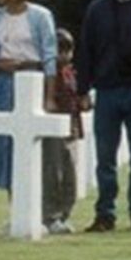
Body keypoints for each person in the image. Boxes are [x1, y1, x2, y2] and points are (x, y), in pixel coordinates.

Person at [76, 0, 131, 232]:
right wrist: (83, 90)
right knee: (105, 159)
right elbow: (86, 51)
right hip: (106, 92)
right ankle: (105, 214)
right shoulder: (97, 10)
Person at [0, 0, 60, 201]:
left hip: (31, 79)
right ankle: (15, 204)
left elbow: (49, 56)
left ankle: (38, 205)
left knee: (31, 147)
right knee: (7, 146)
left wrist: (49, 96)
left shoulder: (40, 16)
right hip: (2, 83)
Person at [43, 29, 87, 235]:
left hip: (72, 129)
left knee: (71, 174)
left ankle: (64, 213)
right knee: (54, 172)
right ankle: (51, 215)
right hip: (53, 129)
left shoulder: (71, 73)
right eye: (59, 50)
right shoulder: (47, 76)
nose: (64, 55)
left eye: (68, 50)